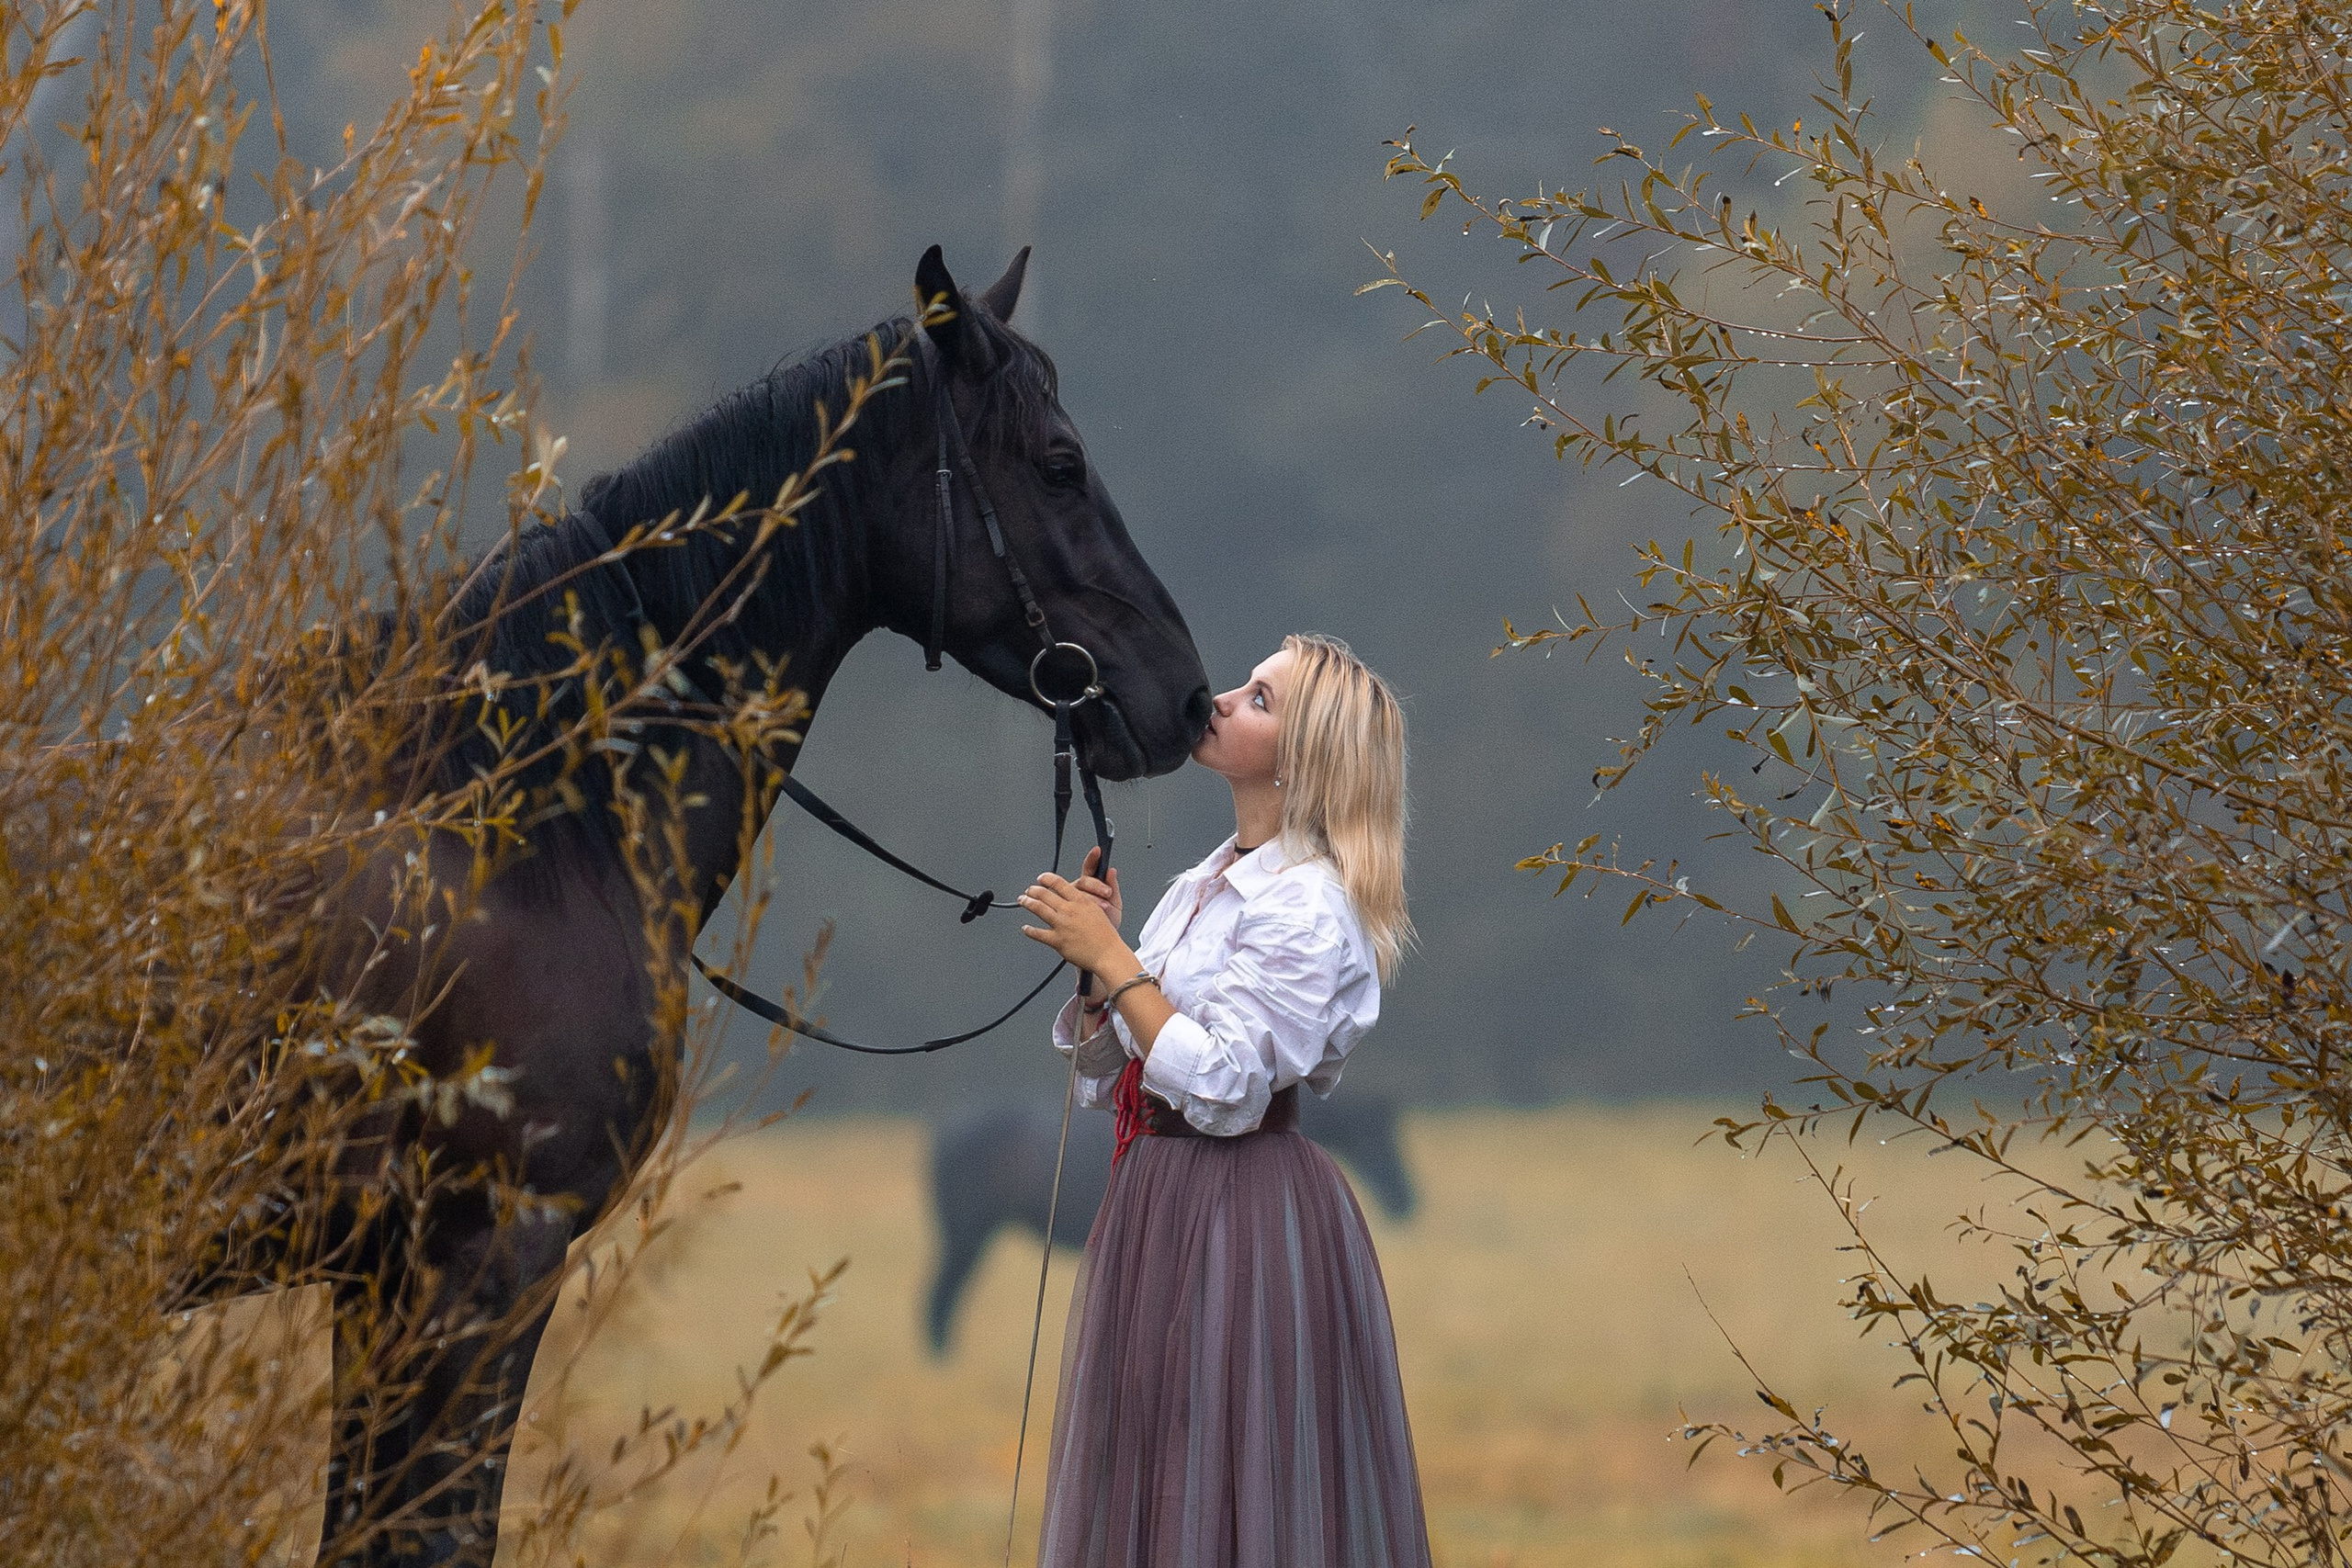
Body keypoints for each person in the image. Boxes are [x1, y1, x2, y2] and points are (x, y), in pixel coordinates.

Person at [1014, 632, 1432, 1568]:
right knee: (1156, 1462)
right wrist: (1102, 973)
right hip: (1155, 1195)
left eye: (1260, 699)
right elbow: (1114, 1074)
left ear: (1303, 758)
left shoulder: (1306, 905)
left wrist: (1115, 959)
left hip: (1240, 1210)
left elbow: (1227, 1086)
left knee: (1229, 1468)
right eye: (1245, 685)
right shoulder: (1202, 884)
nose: (1224, 699)